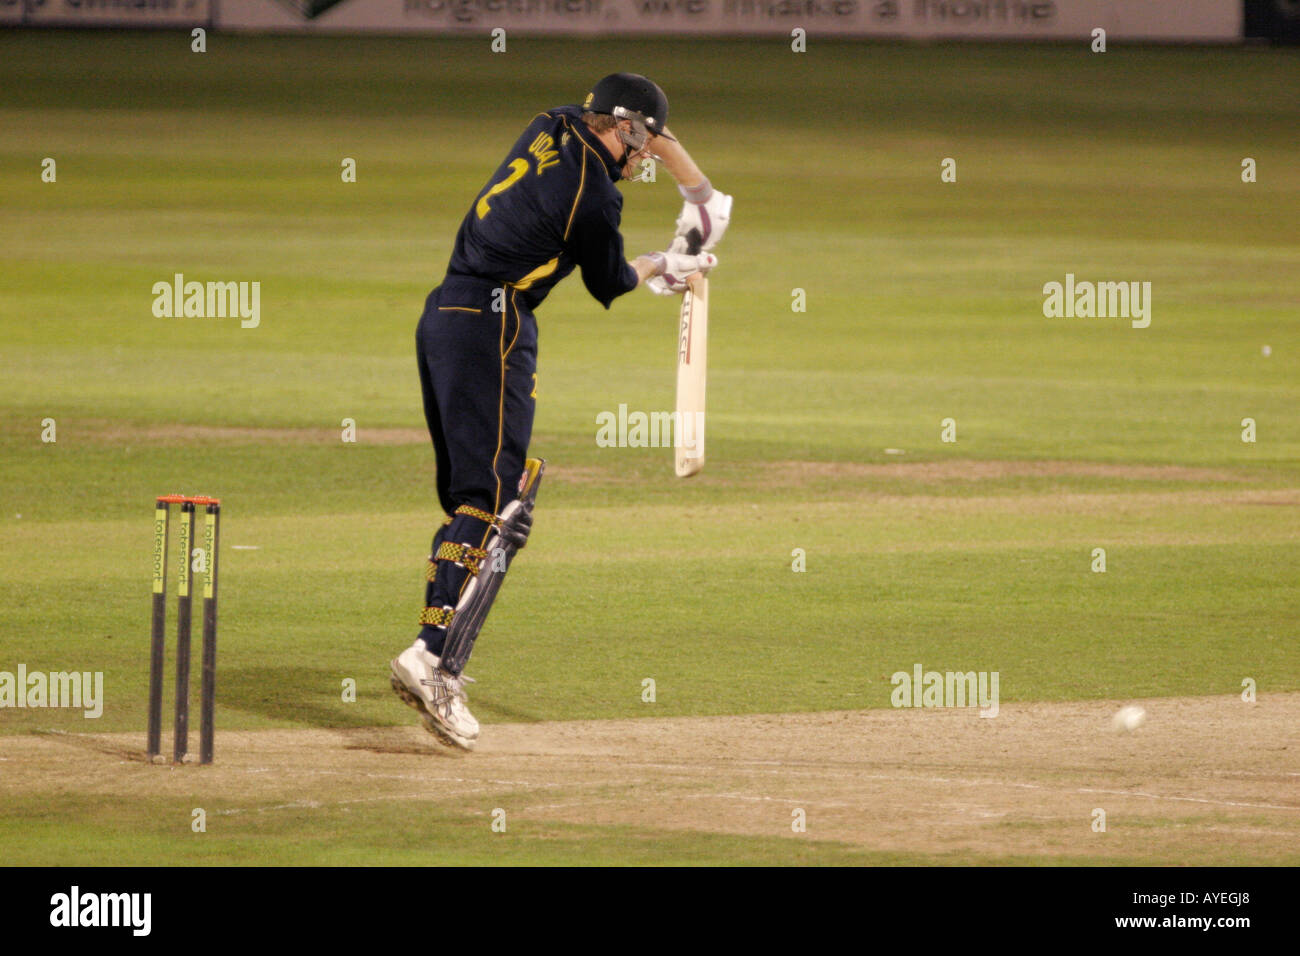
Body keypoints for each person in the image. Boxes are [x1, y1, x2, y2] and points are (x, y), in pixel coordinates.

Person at [389, 73, 732, 750]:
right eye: (642, 146)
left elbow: (661, 157)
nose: (644, 161)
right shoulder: (594, 199)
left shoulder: (551, 122)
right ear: (627, 129)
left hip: (445, 314)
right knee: (498, 504)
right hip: (496, 325)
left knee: (477, 502)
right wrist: (667, 263)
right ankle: (433, 660)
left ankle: (430, 649)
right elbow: (611, 281)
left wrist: (695, 189)